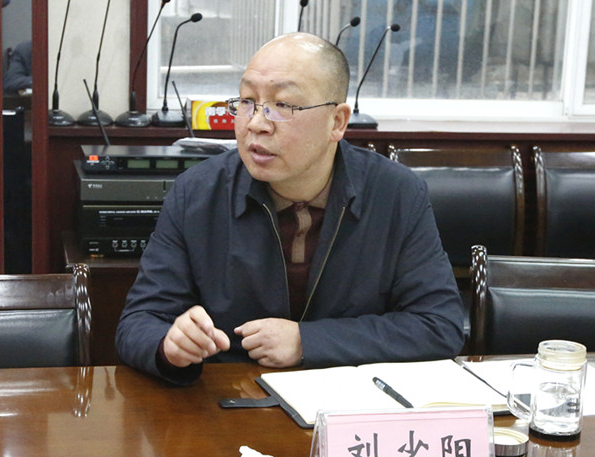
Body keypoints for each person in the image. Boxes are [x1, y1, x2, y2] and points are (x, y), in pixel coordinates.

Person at [116, 32, 465, 386]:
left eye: (283, 105)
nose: (256, 123)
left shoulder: (396, 194)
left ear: (337, 122)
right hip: (229, 399)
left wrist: (307, 342)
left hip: (351, 400)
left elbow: (439, 326)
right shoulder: (197, 193)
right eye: (247, 101)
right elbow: (139, 322)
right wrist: (170, 346)